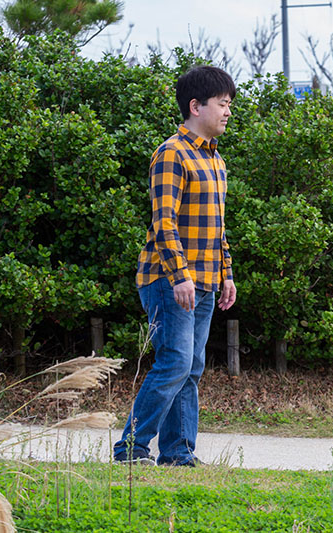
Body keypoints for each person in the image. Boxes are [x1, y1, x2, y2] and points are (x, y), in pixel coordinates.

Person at [113, 65, 238, 467]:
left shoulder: (215, 162)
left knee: (192, 367)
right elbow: (163, 222)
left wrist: (227, 274)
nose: (228, 112)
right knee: (174, 362)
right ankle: (130, 449)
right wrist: (180, 275)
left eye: (229, 105)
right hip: (170, 279)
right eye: (223, 104)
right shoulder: (171, 153)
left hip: (204, 280)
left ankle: (178, 453)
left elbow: (216, 227)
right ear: (195, 105)